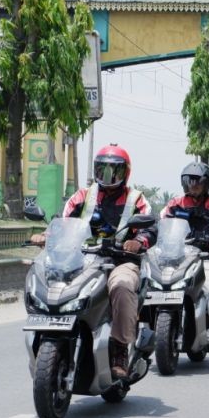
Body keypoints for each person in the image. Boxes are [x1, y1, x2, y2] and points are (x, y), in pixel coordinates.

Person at [29, 144, 156, 381]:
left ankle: (119, 348)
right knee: (51, 278)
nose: (107, 176)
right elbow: (62, 221)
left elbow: (151, 228)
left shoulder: (136, 199)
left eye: (114, 171)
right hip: (81, 258)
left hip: (120, 261)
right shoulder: (82, 195)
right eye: (102, 169)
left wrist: (138, 242)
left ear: (124, 172)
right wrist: (46, 236)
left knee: (122, 285)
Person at [163, 162, 209, 360]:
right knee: (152, 287)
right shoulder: (175, 204)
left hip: (202, 258)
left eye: (197, 182)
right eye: (189, 181)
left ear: (206, 184)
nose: (193, 185)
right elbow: (164, 224)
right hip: (175, 258)